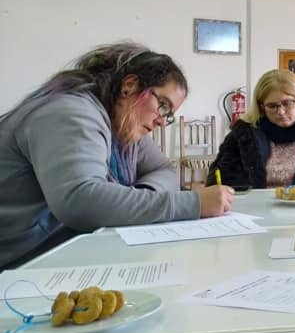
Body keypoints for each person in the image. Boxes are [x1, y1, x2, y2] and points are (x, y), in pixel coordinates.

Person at [0, 43, 233, 270]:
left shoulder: (122, 125)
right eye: (163, 105)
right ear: (129, 86)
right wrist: (192, 203)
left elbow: (163, 170)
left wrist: (141, 200)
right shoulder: (69, 112)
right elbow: (79, 200)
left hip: (59, 254)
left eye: (169, 115)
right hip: (19, 265)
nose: (163, 121)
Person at [207, 69, 295, 189]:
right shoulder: (242, 137)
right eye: (272, 106)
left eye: (287, 103)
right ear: (261, 107)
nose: (281, 112)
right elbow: (217, 181)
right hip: (252, 212)